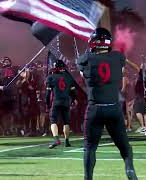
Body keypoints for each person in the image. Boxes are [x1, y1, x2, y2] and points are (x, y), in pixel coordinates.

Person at [77, 27, 137, 180]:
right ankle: (130, 169)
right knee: (124, 146)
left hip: (95, 109)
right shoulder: (118, 57)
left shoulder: (85, 59)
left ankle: (88, 177)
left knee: (90, 148)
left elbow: (83, 74)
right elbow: (124, 66)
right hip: (113, 108)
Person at [45, 60, 76, 149]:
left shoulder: (50, 77)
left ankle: (56, 140)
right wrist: (72, 101)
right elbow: (73, 93)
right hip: (66, 101)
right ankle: (67, 141)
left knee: (53, 121)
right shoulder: (69, 77)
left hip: (56, 101)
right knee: (66, 122)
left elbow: (47, 94)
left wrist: (47, 105)